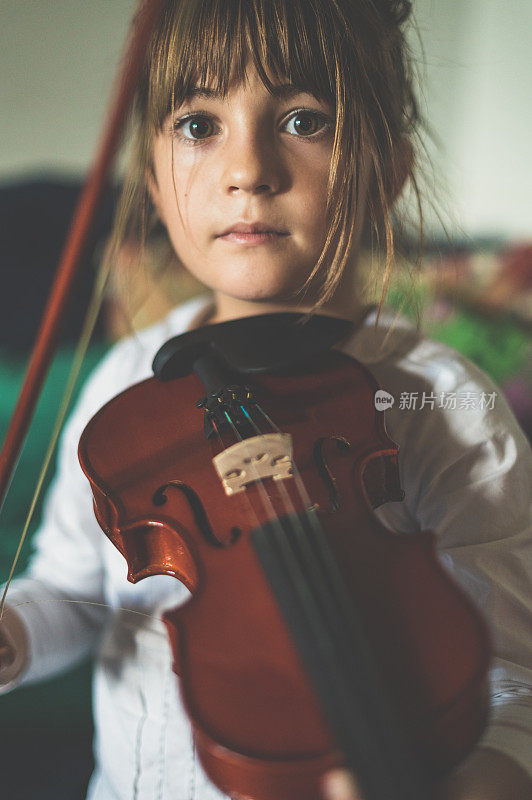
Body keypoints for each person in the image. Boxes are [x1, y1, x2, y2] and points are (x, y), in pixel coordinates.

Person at [1, 1, 531, 798]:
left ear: (388, 169)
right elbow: (72, 594)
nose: (247, 168)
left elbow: (511, 682)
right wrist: (13, 629)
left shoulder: (441, 407)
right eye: (197, 124)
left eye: (303, 119)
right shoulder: (125, 383)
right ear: (150, 179)